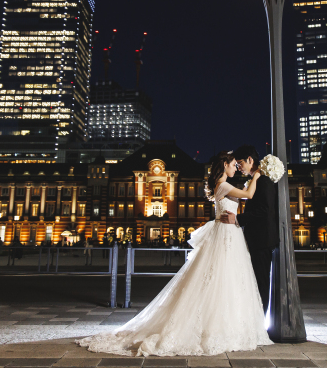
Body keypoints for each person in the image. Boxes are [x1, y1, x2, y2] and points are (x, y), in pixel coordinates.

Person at [77, 150, 272, 356]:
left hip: (229, 234)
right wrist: (258, 175)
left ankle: (221, 323)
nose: (236, 167)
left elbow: (242, 194)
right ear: (224, 165)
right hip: (225, 234)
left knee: (222, 278)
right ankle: (218, 326)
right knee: (220, 278)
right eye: (233, 164)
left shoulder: (224, 186)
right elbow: (249, 195)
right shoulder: (223, 185)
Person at [221, 145, 278, 316]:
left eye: (239, 163)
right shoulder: (256, 180)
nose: (238, 167)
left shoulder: (264, 181)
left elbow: (264, 210)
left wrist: (237, 219)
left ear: (250, 160)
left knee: (261, 283)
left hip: (262, 240)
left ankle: (260, 322)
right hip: (257, 240)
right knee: (254, 282)